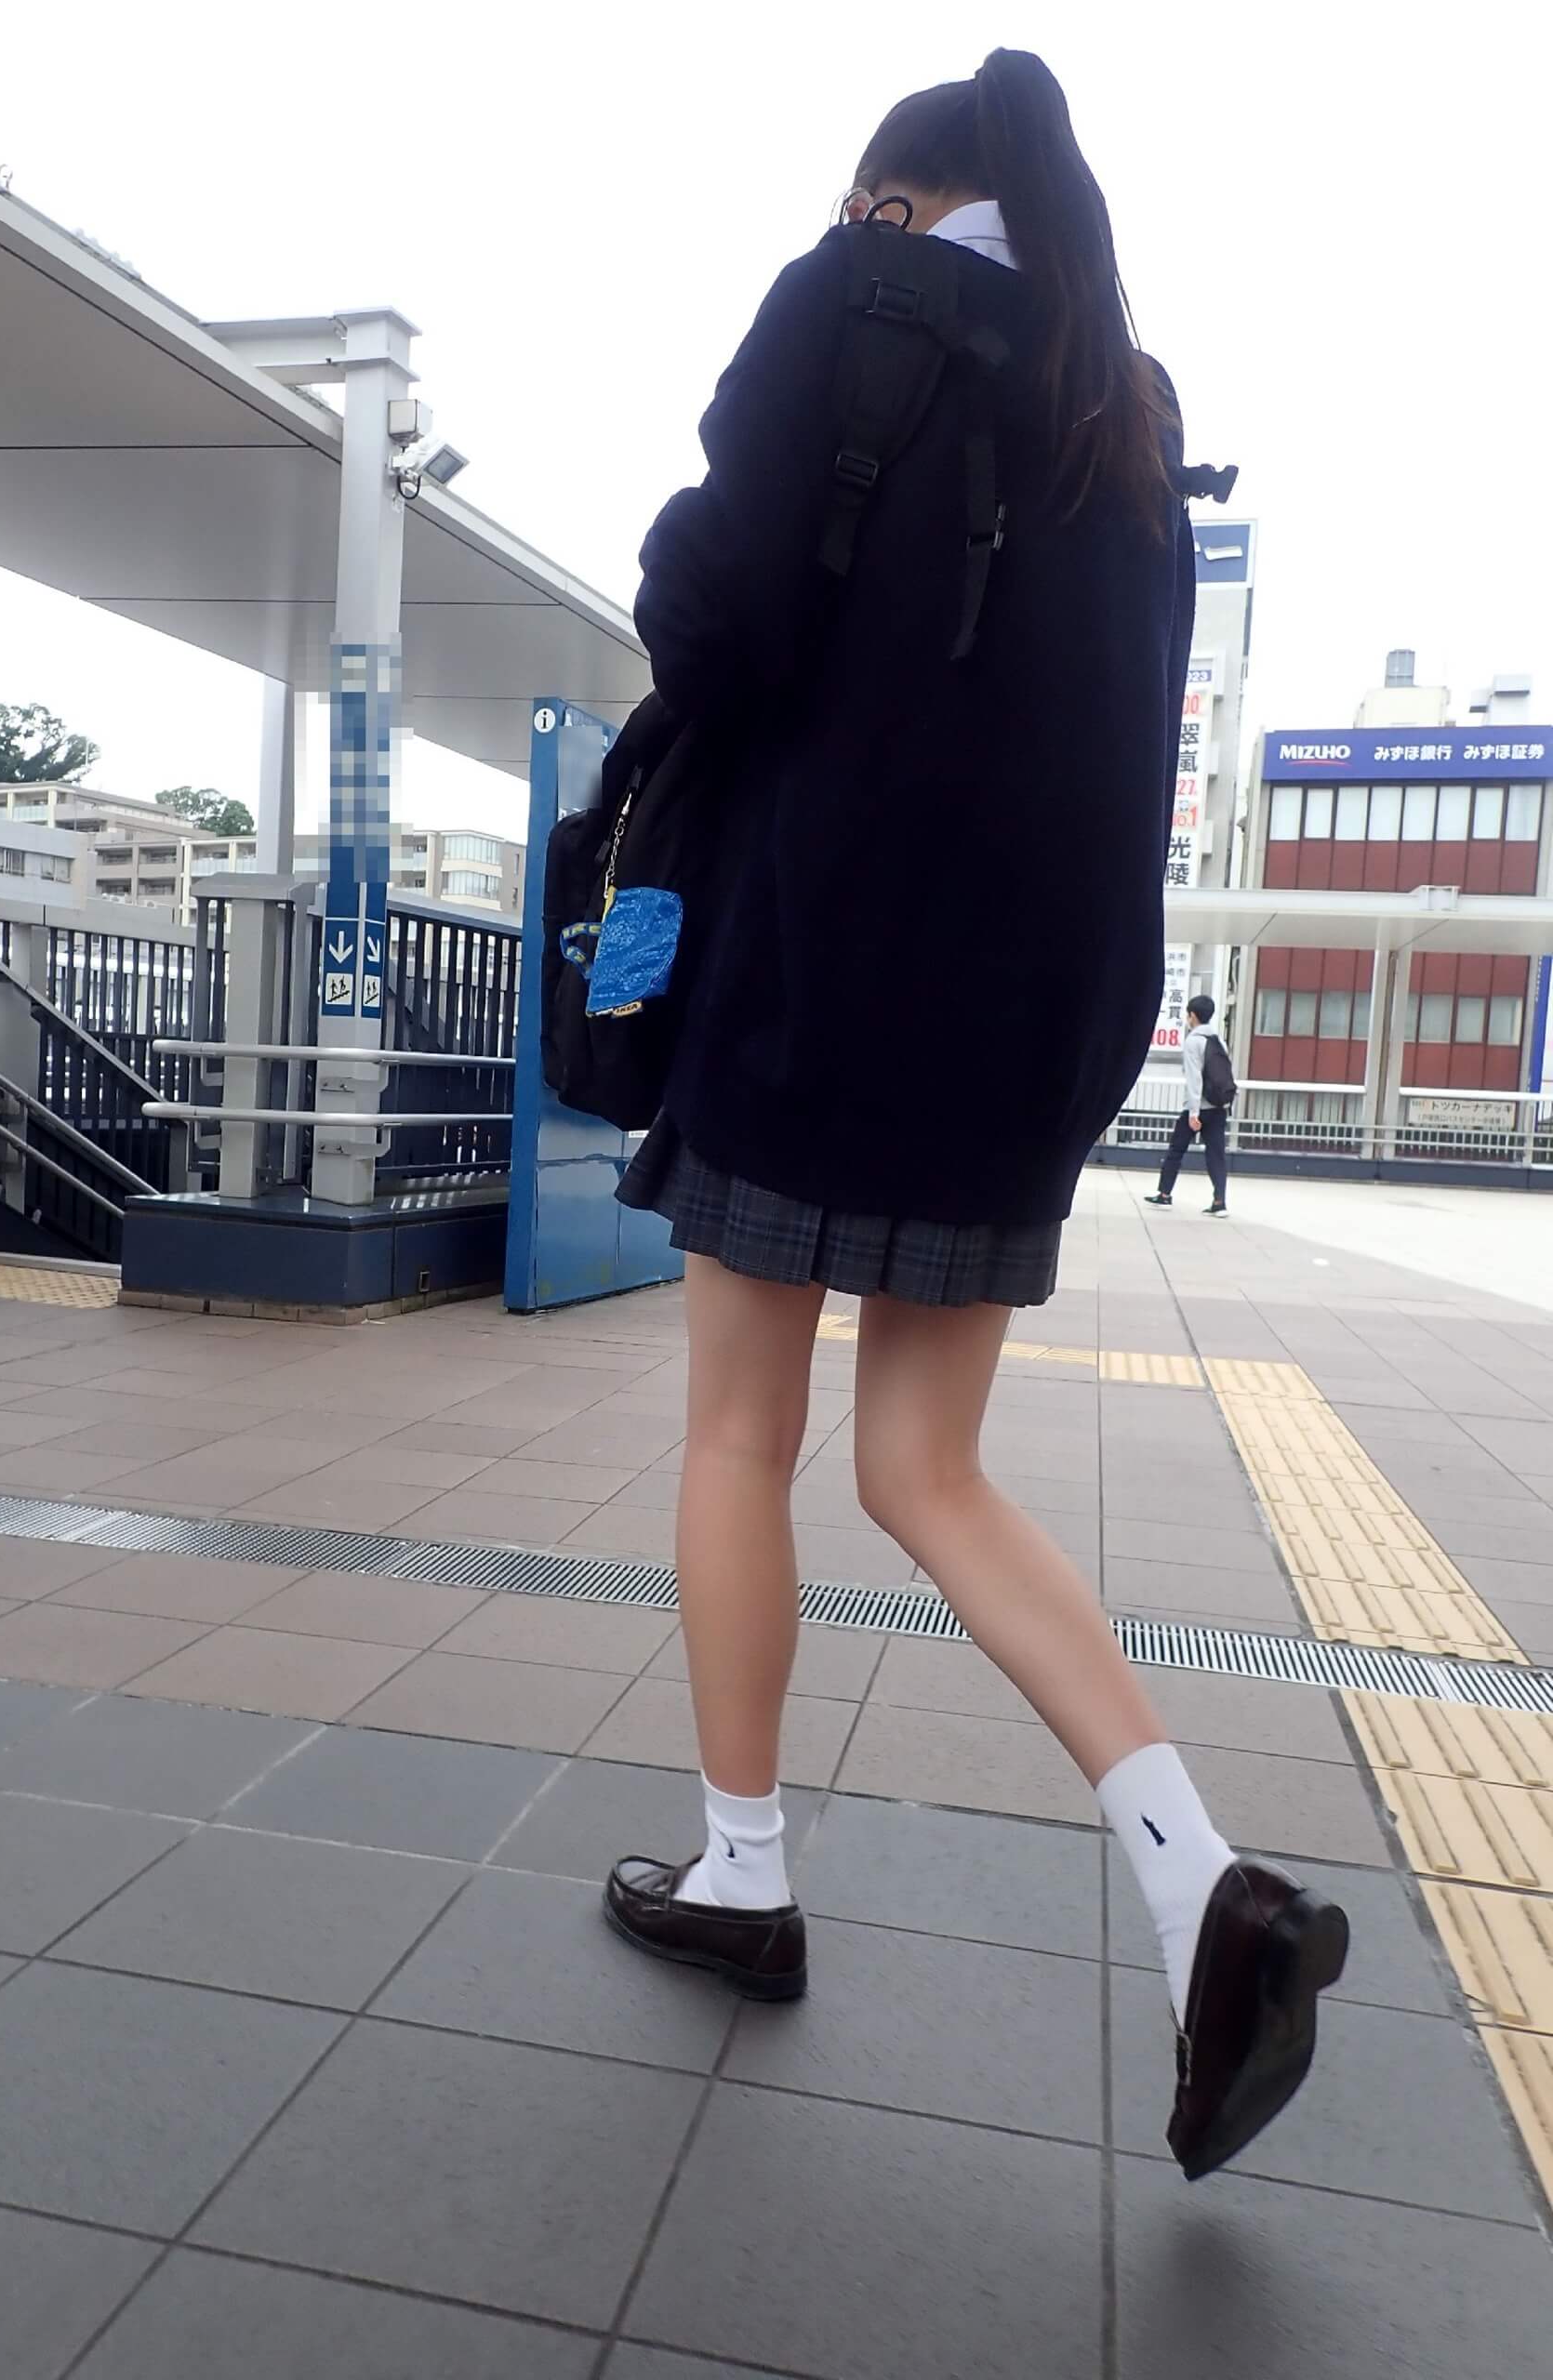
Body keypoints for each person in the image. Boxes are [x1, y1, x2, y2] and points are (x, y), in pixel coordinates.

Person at [602, 51, 1346, 2183]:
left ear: (894, 197)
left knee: (739, 1431)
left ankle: (745, 1870)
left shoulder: (853, 299)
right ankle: (1202, 1881)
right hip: (1027, 1023)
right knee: (926, 1463)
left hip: (815, 972)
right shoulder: (1128, 411)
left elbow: (710, 612)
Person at [1148, 993, 1230, 1216]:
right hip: (1218, 1108)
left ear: (1192, 1015)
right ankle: (1219, 1202)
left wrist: (1194, 1112)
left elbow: (1195, 1079)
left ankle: (1164, 1195)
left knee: (1176, 1150)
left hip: (1197, 1108)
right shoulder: (1219, 1041)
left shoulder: (1193, 1041)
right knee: (1216, 1155)